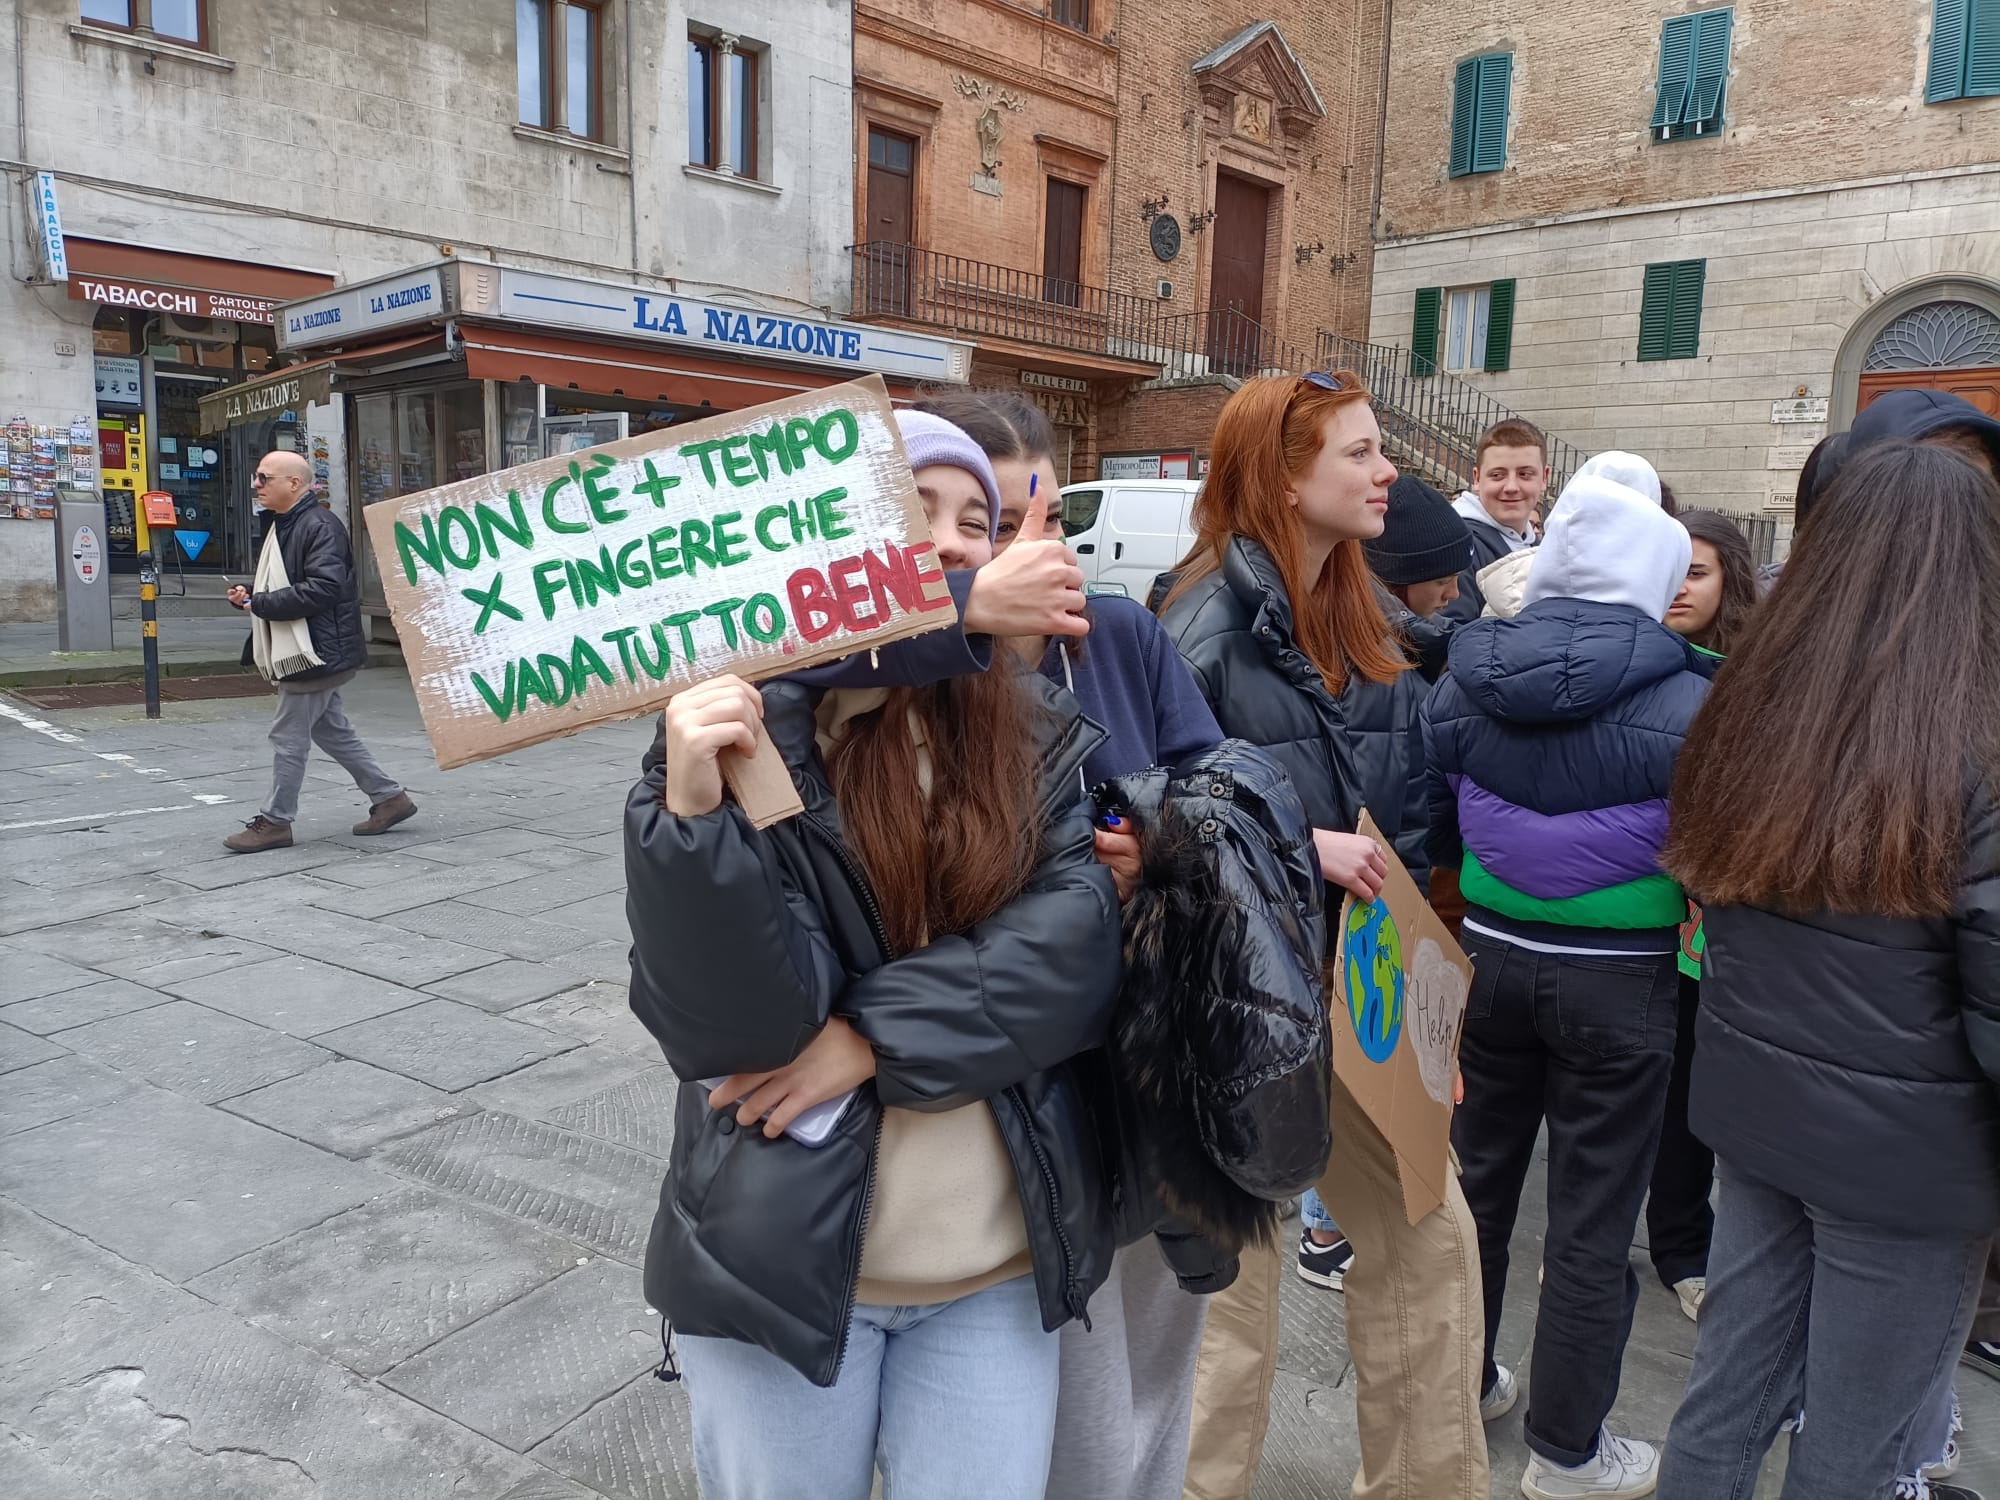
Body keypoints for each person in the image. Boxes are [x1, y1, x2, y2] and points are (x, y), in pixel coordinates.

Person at [625, 411, 1123, 1500]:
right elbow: (731, 1028)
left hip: (992, 1270)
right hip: (780, 1269)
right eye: (912, 508)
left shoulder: (1029, 727)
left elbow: (1077, 947)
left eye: (975, 522)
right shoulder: (741, 730)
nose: (949, 539)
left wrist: (871, 1038)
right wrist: (691, 819)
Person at [1158, 371, 1489, 1500]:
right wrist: (1296, 846)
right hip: (1234, 1002)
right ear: (1284, 478)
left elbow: (1403, 817)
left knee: (1432, 1245)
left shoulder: (1369, 616)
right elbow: (1132, 821)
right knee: (1230, 1299)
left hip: (1361, 990)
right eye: (1358, 452)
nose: (1387, 471)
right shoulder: (1195, 626)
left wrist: (1429, 1006)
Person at [907, 392, 1240, 1500]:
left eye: (1041, 520)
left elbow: (1206, 784)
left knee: (1159, 1351)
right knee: (1068, 1395)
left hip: (1145, 1044)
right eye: (991, 527)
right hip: (1017, 1076)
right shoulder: (907, 673)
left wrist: (1154, 838)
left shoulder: (1120, 634)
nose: (1024, 551)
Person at [1655, 440, 2000, 1500]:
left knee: (1726, 1397)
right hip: (1906, 1158)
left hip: (1761, 1112)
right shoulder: (1974, 743)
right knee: (1857, 1445)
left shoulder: (1752, 709)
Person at [1426, 459, 1707, 1499]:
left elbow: (1432, 819)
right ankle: (1567, 1451)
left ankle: (1463, 1389)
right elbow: (1711, 855)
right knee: (1593, 1223)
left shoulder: (1465, 675)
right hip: (1621, 983)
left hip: (1488, 959)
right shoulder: (1692, 700)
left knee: (1476, 1192)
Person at [1295, 474, 1475, 1293]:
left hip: (1381, 896)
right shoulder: (1367, 654)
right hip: (1353, 902)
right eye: (1442, 575)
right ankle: (1324, 1228)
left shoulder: (1403, 651)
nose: (1455, 591)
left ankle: (1327, 1222)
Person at [1651, 510, 1760, 1326]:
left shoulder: (1756, 674)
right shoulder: (1633, 657)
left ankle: (1684, 1246)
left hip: (1714, 919)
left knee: (1692, 1087)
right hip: (1634, 906)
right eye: (1670, 569)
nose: (1680, 588)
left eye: (1698, 571)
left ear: (1731, 580)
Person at [221, 451, 414, 852]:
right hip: (314, 648)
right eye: (256, 476)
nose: (256, 484)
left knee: (287, 736)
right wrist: (251, 595)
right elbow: (289, 582)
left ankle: (276, 821)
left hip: (314, 654)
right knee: (332, 730)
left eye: (264, 477)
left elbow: (323, 589)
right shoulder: (287, 524)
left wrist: (260, 603)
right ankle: (389, 798)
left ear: (294, 484)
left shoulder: (318, 526)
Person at [1364, 473, 1474, 682]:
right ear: (1397, 580)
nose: (1454, 593)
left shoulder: (1439, 640)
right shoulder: (1366, 662)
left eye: (1458, 578)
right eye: (1442, 581)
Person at [1440, 418, 1551, 623]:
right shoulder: (1455, 544)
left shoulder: (1544, 548)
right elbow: (1449, 630)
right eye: (1498, 475)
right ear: (1477, 478)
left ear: (1544, 478)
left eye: (1525, 474)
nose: (1511, 487)